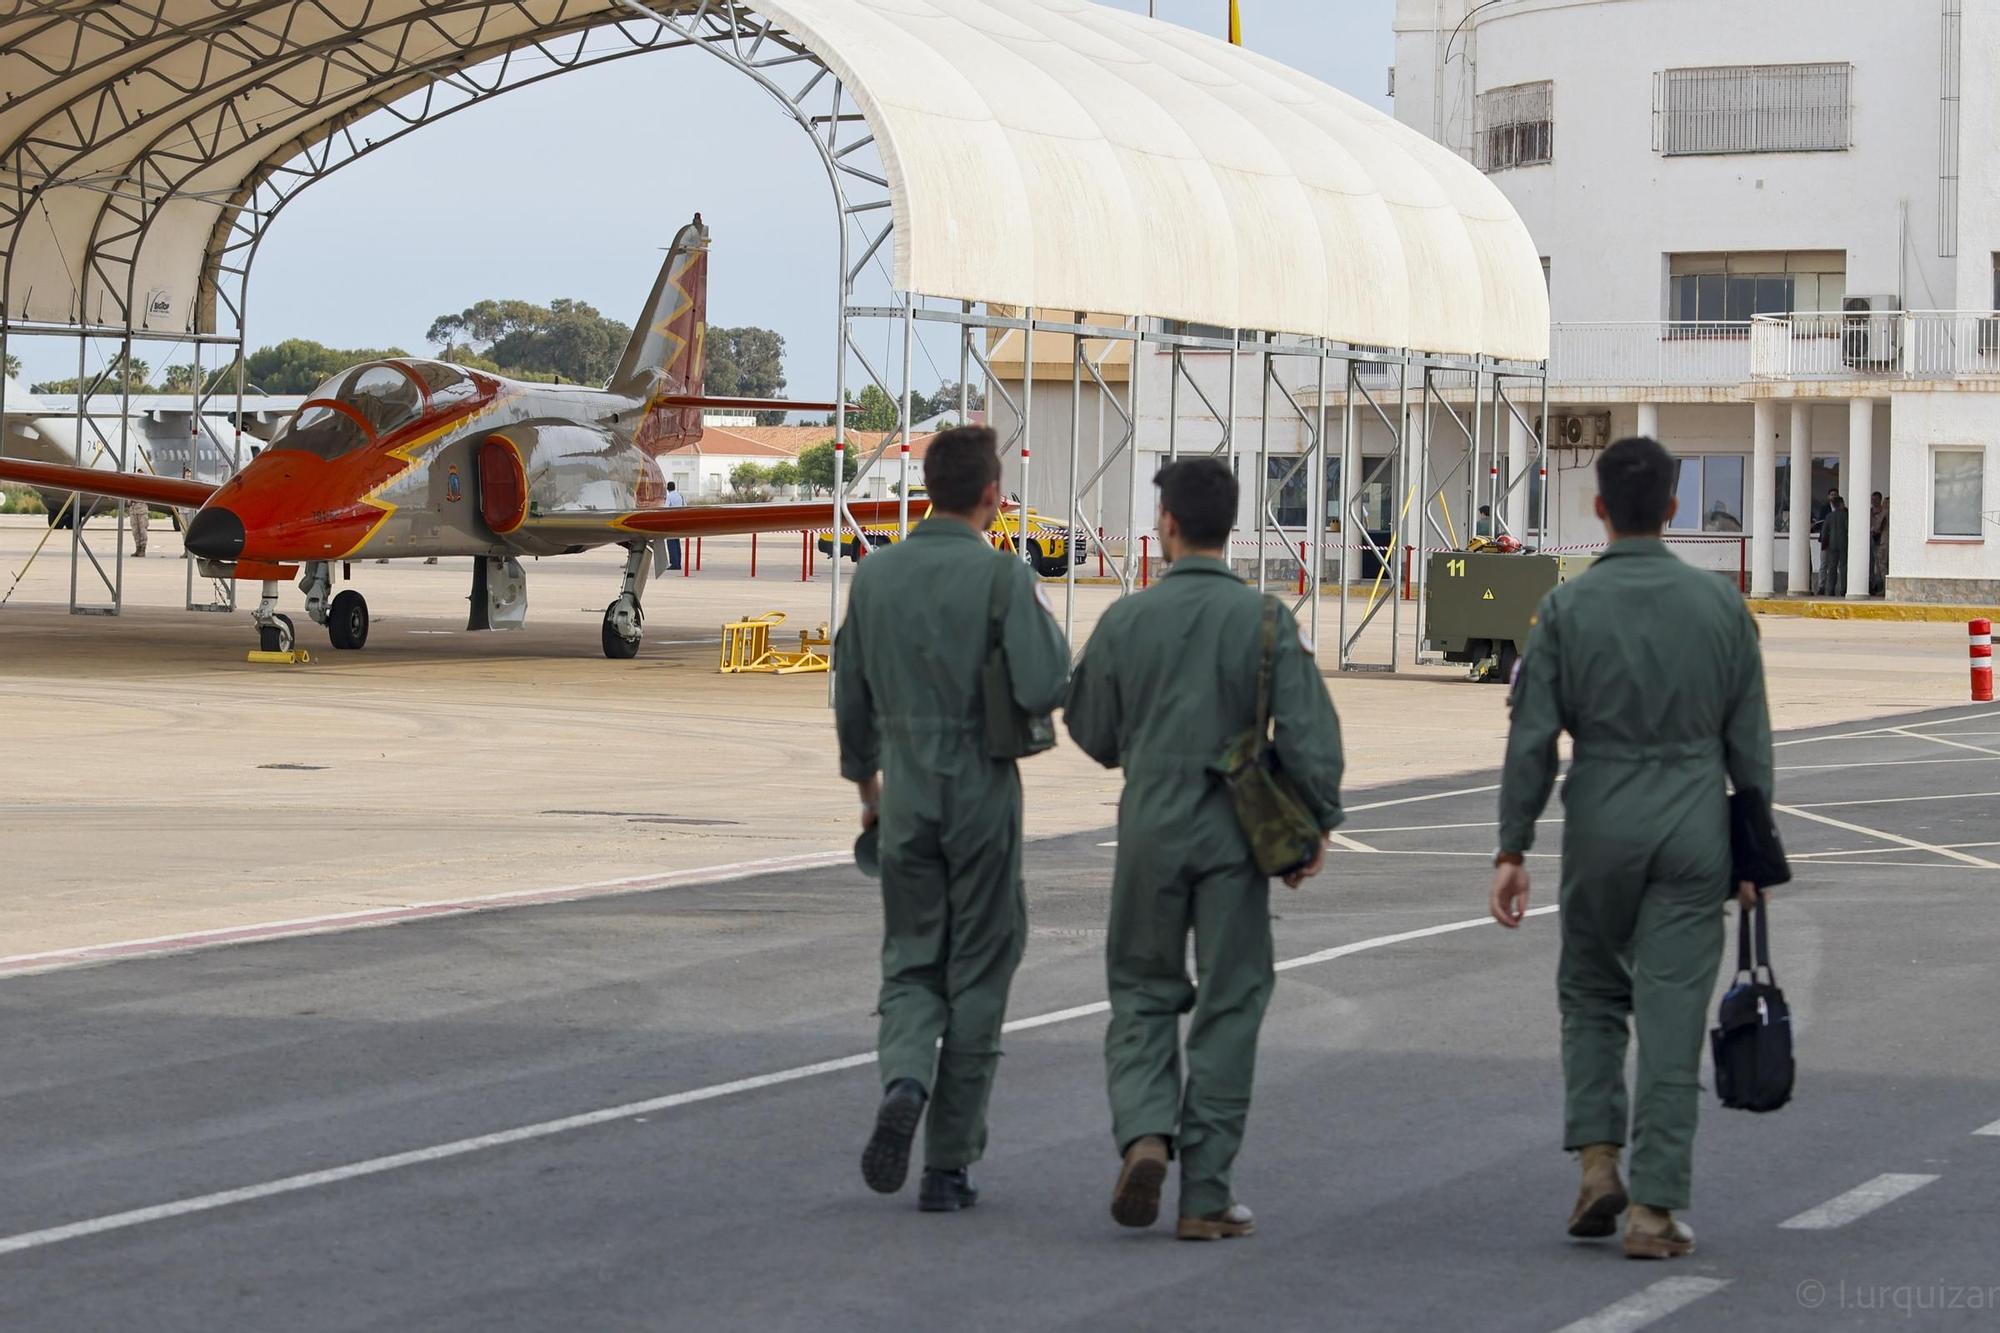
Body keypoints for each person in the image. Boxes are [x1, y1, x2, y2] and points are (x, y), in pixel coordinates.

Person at [1489, 436, 1773, 1261]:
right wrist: (1754, 858)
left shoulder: (1566, 610)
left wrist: (1512, 846)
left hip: (1601, 820)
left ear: (1600, 509)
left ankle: (1597, 1160)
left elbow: (1532, 739)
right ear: (1676, 510)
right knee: (1674, 1014)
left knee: (1589, 990)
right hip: (1693, 824)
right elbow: (1750, 744)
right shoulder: (1721, 607)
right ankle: (1654, 1208)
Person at [1064, 458, 1346, 1241]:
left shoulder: (1125, 619)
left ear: (1168, 526)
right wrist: (1313, 822)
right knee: (1230, 999)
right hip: (1235, 835)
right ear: (1231, 526)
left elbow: (1088, 728)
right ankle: (1207, 1193)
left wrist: (1146, 749)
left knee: (1142, 991)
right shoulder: (1265, 619)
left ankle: (1147, 1131)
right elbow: (1314, 736)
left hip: (1150, 825)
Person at [834, 425, 1070, 1213]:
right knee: (980, 967)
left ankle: (905, 1075)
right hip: (981, 787)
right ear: (993, 497)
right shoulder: (1005, 575)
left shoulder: (875, 577)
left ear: (926, 489)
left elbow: (850, 695)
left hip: (902, 789)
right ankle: (948, 1165)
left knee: (909, 959)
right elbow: (1044, 682)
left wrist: (867, 787)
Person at [1826, 492, 1848, 596]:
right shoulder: (1845, 515)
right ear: (1841, 504)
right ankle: (1843, 589)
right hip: (1843, 542)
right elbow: (1848, 528)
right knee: (1843, 566)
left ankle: (1831, 589)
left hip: (1832, 543)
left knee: (1832, 567)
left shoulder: (1829, 516)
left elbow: (1825, 530)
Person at [665, 480, 687, 570]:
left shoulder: (669, 496)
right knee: (677, 543)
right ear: (674, 487)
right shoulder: (680, 495)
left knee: (671, 543)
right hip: (680, 521)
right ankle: (678, 562)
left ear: (667, 488)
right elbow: (685, 506)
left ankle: (674, 563)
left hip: (671, 521)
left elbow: (665, 509)